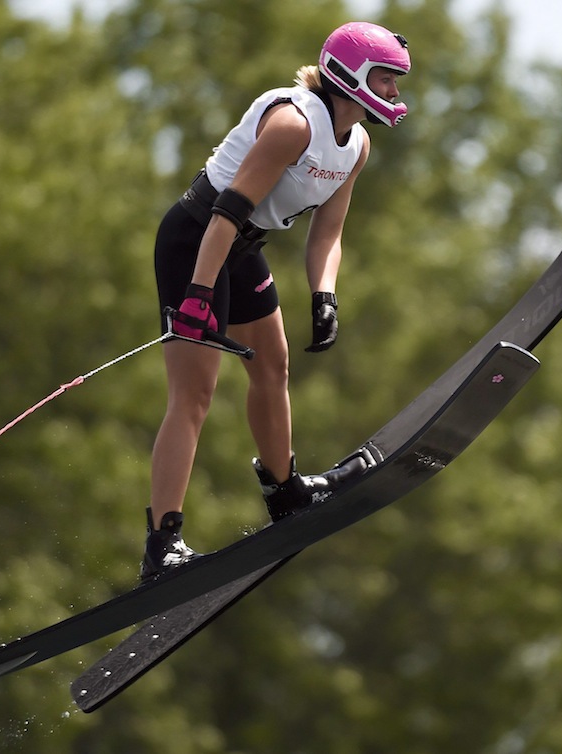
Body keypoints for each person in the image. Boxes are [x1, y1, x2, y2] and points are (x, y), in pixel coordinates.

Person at [140, 22, 412, 582]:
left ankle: (284, 491)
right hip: (199, 239)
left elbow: (327, 233)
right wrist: (196, 293)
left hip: (241, 246)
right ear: (350, 74)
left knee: (274, 364)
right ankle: (161, 546)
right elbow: (225, 211)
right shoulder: (292, 123)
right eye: (385, 79)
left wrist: (324, 295)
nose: (394, 93)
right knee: (195, 393)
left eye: (396, 82)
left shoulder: (356, 145)